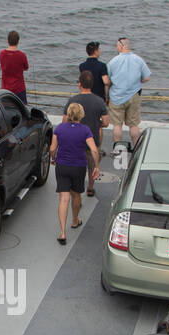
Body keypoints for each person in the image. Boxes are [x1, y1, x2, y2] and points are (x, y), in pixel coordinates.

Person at [50, 101, 99, 244]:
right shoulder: (85, 130)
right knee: (76, 194)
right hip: (78, 167)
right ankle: (75, 220)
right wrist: (96, 166)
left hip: (62, 166)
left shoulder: (59, 128)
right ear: (81, 115)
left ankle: (63, 233)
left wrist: (53, 158)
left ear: (69, 114)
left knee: (63, 198)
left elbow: (53, 149)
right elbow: (94, 150)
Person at [66, 71, 108, 196]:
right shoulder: (99, 101)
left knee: (76, 166)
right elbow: (105, 123)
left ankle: (76, 188)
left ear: (80, 84)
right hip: (92, 139)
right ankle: (90, 187)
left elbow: (64, 121)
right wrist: (96, 123)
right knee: (92, 165)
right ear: (92, 84)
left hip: (75, 140)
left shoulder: (72, 100)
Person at [106, 37, 151, 148]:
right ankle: (135, 147)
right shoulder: (138, 60)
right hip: (134, 95)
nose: (116, 48)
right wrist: (137, 81)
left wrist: (106, 96)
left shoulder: (113, 61)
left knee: (117, 125)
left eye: (117, 46)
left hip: (116, 96)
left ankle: (118, 148)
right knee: (134, 125)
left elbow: (107, 81)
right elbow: (147, 77)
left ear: (121, 46)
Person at [0, 31, 29, 104]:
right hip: (19, 89)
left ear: (7, 40)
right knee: (22, 111)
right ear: (18, 41)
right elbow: (26, 68)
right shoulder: (22, 55)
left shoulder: (2, 54)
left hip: (5, 89)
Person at [79, 42, 110, 109]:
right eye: (99, 49)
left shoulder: (82, 66)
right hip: (99, 96)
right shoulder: (102, 66)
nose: (99, 51)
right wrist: (107, 97)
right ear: (96, 51)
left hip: (86, 95)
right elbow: (106, 82)